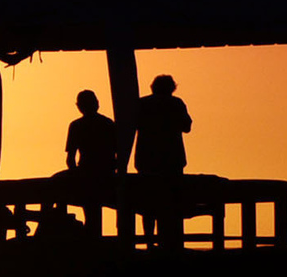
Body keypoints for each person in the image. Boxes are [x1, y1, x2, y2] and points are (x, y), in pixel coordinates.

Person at [131, 74, 192, 248]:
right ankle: (169, 242)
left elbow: (131, 125)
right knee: (170, 203)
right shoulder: (176, 104)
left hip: (146, 160)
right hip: (172, 160)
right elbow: (186, 127)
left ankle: (149, 241)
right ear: (172, 88)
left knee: (147, 204)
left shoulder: (141, 104)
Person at [63, 90, 121, 176]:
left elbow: (70, 158)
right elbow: (119, 152)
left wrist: (76, 175)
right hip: (106, 171)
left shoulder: (76, 126)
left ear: (79, 106)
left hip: (88, 171)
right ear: (97, 103)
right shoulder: (108, 123)